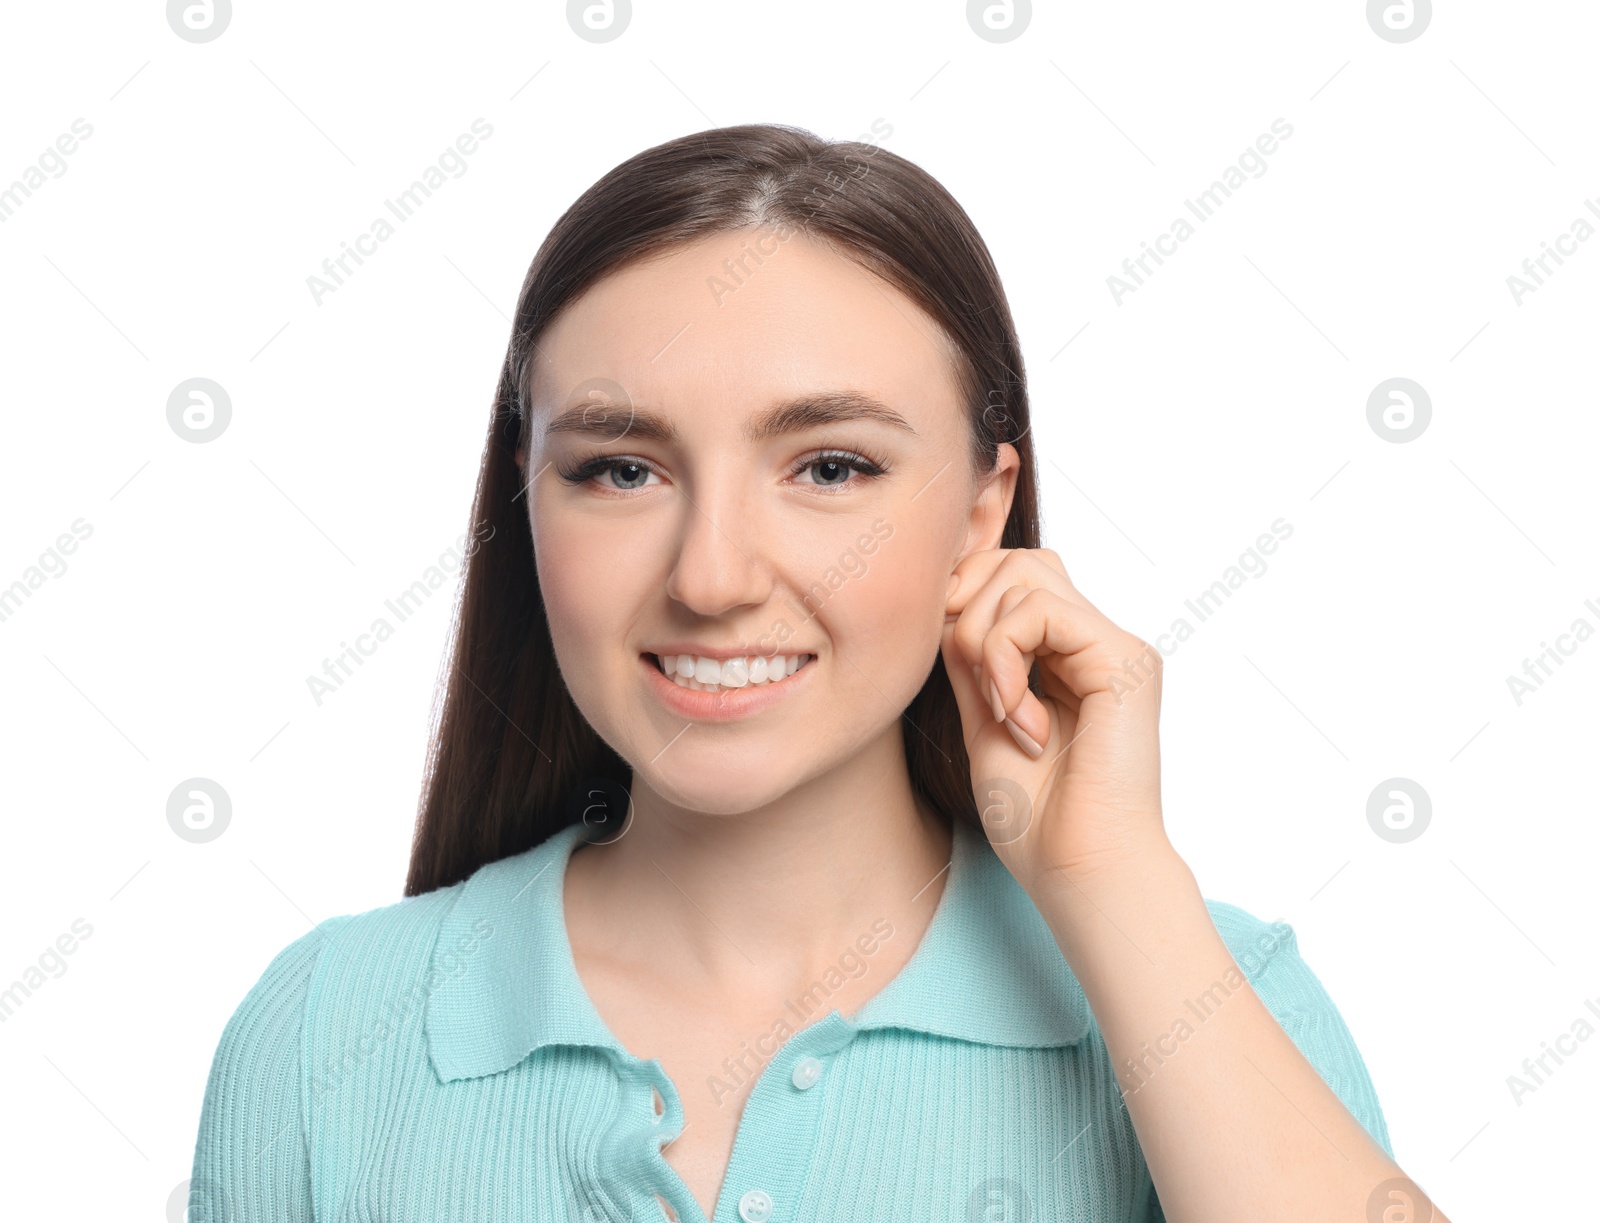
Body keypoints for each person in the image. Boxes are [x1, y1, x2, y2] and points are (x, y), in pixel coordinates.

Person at [187, 122, 1446, 1223]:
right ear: (526, 500)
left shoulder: (1210, 990)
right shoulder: (322, 1034)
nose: (716, 575)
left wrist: (1112, 885)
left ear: (979, 512)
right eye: (620, 468)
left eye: (831, 466)